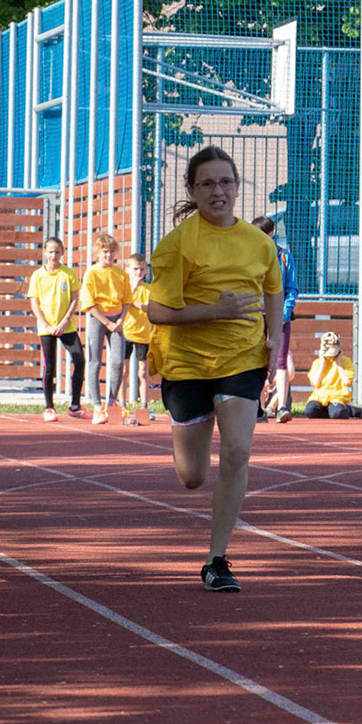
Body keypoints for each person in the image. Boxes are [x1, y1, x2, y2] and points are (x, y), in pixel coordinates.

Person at [143, 145, 283, 592]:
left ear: (237, 187)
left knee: (238, 451)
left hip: (242, 359)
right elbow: (157, 311)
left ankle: (216, 560)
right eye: (207, 183)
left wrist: (274, 340)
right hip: (187, 364)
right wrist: (214, 311)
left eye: (225, 181)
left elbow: (274, 290)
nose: (217, 190)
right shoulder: (178, 244)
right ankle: (187, 434)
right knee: (193, 476)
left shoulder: (259, 242)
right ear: (192, 190)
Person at [28, 237, 84, 423]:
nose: (54, 255)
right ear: (45, 252)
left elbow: (74, 299)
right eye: (50, 252)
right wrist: (46, 324)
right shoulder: (37, 275)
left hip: (66, 326)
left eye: (57, 252)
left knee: (79, 359)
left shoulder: (68, 273)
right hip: (46, 327)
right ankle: (49, 407)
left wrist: (64, 321)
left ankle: (75, 405)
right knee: (49, 367)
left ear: (62, 253)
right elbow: (34, 303)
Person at [79, 231, 130, 425]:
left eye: (111, 251)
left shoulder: (120, 274)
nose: (108, 255)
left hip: (117, 319)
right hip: (98, 318)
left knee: (117, 361)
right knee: (94, 361)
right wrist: (106, 322)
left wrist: (121, 320)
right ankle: (97, 406)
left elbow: (127, 300)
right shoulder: (91, 273)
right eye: (104, 252)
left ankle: (112, 402)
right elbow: (89, 303)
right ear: (97, 253)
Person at [251, 215, 299, 423]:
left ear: (271, 234)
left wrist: (284, 313)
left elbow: (291, 288)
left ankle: (282, 407)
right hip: (256, 316)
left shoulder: (284, 257)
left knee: (280, 360)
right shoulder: (250, 257)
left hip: (280, 316)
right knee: (256, 359)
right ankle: (258, 407)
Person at [119, 253, 155, 426]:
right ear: (127, 269)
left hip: (143, 334)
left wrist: (138, 304)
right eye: (135, 269)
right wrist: (132, 291)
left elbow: (151, 308)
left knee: (142, 371)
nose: (138, 273)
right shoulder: (124, 287)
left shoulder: (149, 289)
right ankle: (122, 405)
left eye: (141, 270)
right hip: (126, 333)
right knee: (123, 370)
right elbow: (120, 304)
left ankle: (144, 406)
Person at [303, 330, 362, 419]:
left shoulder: (346, 361)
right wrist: (323, 363)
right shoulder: (317, 363)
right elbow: (315, 383)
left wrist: (338, 363)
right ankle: (329, 412)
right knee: (310, 411)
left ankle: (353, 411)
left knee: (337, 414)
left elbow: (347, 382)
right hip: (320, 396)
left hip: (337, 396)